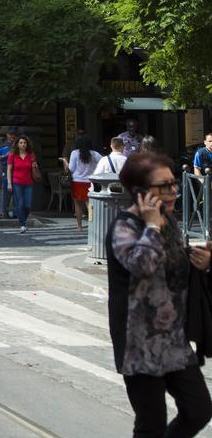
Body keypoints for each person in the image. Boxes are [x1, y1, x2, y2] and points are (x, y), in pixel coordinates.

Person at [107, 151, 212, 438]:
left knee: (199, 409)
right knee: (150, 424)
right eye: (164, 186)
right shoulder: (124, 227)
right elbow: (142, 265)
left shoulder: (169, 222)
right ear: (141, 191)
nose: (173, 190)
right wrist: (152, 225)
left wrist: (200, 260)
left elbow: (170, 267)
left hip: (173, 338)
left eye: (173, 183)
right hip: (139, 343)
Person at [62, 133, 101, 231]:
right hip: (91, 182)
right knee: (90, 204)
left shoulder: (75, 153)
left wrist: (64, 161)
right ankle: (93, 225)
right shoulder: (94, 154)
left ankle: (79, 226)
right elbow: (103, 162)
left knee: (78, 205)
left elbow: (70, 169)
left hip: (77, 181)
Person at [8, 134, 38, 234]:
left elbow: (34, 168)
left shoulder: (31, 155)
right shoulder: (12, 155)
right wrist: (9, 183)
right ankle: (22, 225)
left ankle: (22, 218)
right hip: (17, 182)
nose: (23, 144)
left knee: (28, 205)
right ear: (17, 144)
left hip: (28, 182)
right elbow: (9, 169)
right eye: (21, 143)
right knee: (20, 203)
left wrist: (34, 165)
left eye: (25, 143)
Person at [0, 129, 18, 218]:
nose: (12, 136)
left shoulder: (18, 145)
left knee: (16, 193)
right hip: (6, 171)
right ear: (7, 135)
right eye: (11, 134)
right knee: (6, 193)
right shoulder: (3, 145)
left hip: (17, 171)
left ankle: (16, 213)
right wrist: (5, 156)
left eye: (14, 134)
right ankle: (4, 212)